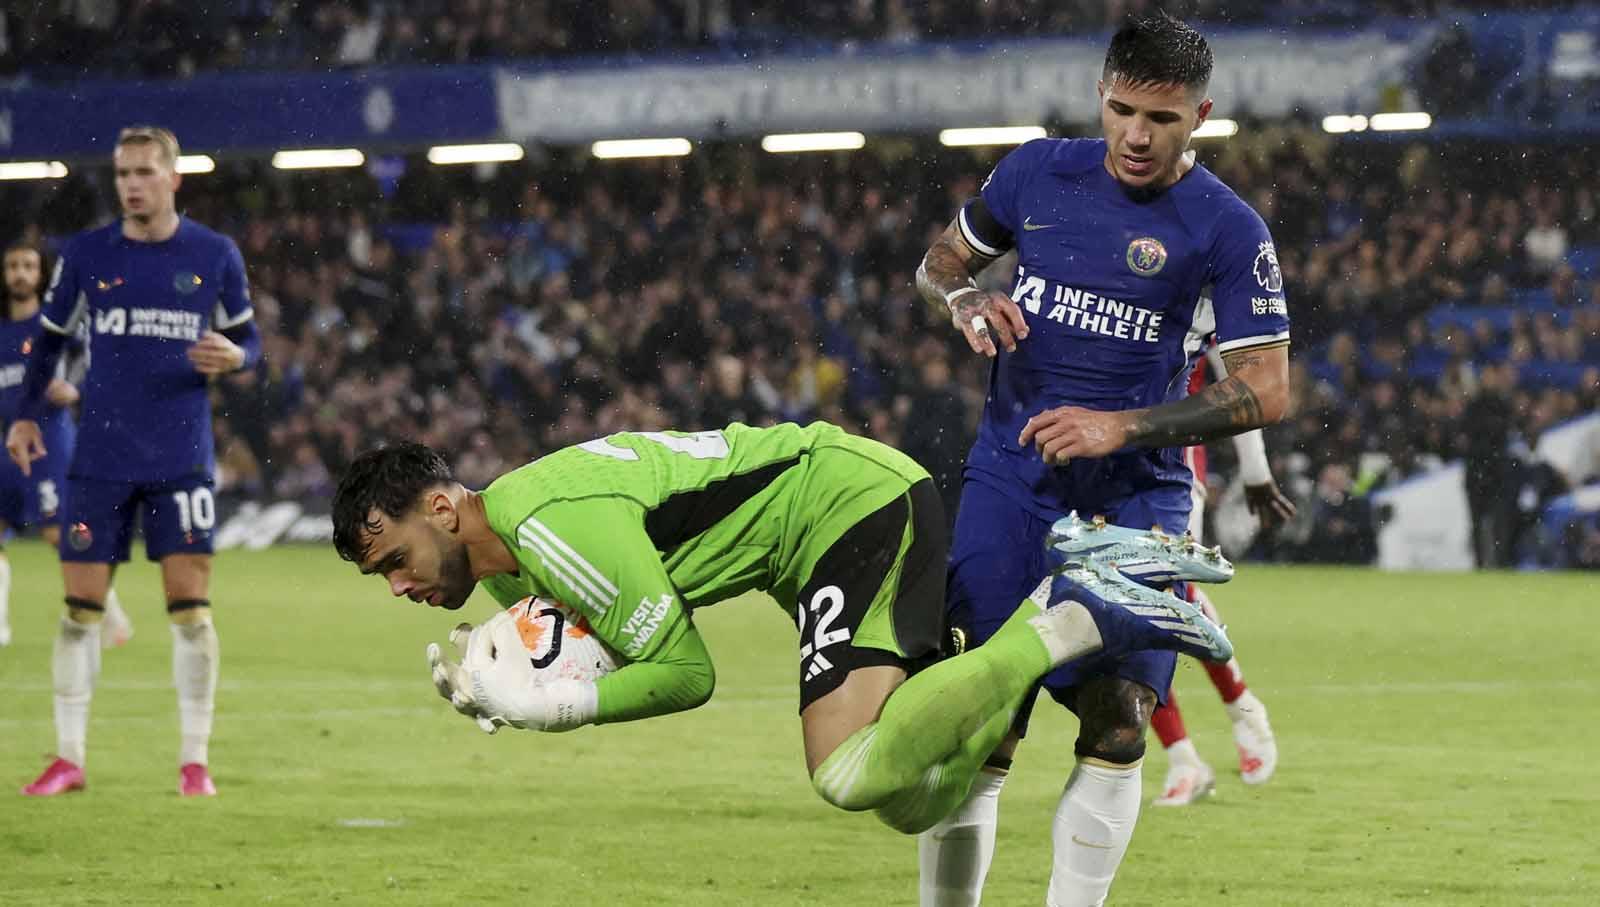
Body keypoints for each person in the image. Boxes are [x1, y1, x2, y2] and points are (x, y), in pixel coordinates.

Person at [330, 422, 1234, 838]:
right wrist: (515, 678)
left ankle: (1073, 608)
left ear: (443, 507)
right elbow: (590, 647)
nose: (400, 584)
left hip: (844, 504)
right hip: (813, 543)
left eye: (395, 558)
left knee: (842, 773)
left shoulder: (548, 530)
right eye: (383, 579)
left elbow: (685, 673)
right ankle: (993, 656)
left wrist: (555, 711)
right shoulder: (516, 559)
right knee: (911, 798)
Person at [912, 15, 1290, 905]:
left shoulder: (1228, 229)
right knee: (982, 722)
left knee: (1119, 721)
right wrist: (965, 296)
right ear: (1101, 95)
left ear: (1199, 113)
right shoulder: (1036, 171)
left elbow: (1267, 387)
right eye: (1122, 110)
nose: (1135, 135)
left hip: (1136, 498)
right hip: (1010, 480)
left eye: (1160, 118)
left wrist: (1122, 427)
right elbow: (941, 258)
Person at [8, 126, 261, 797]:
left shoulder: (214, 254)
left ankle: (194, 761)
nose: (131, 184)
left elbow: (250, 340)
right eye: (123, 173)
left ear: (174, 178)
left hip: (181, 458)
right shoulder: (87, 254)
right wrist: (28, 414)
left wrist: (236, 358)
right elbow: (51, 342)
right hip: (101, 458)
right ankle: (68, 758)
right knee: (77, 610)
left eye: (145, 172)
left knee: (191, 608)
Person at [1149, 344, 1295, 807]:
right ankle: (1182, 758)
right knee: (1116, 606)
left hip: (1171, 459)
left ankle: (1243, 709)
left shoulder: (1198, 279)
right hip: (1101, 453)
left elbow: (1244, 377)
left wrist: (1255, 471)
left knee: (1167, 596)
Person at [0, 243, 133, 649]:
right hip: (4, 442)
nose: (20, 273)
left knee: (61, 535)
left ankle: (109, 613)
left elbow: (92, 361)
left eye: (28, 266)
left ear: (40, 274)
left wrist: (74, 388)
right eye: (12, 266)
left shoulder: (55, 324)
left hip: (49, 441)